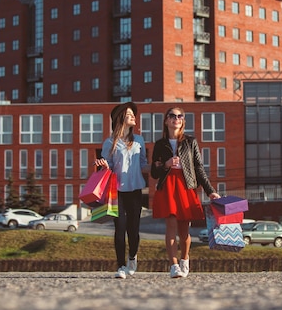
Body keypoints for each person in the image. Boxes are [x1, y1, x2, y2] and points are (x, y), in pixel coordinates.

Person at [151, 107, 220, 278]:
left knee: (184, 231)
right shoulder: (160, 144)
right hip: (168, 186)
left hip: (185, 185)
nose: (176, 118)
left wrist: (210, 191)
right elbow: (154, 172)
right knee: (171, 225)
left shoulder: (190, 141)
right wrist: (166, 165)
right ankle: (173, 265)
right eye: (172, 116)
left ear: (183, 121)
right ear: (166, 120)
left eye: (180, 116)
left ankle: (184, 259)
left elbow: (199, 169)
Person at [94, 102, 149, 279]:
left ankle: (132, 256)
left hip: (135, 190)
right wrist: (103, 165)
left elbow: (143, 164)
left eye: (134, 114)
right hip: (116, 192)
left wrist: (158, 166)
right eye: (129, 114)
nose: (134, 117)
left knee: (133, 230)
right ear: (120, 118)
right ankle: (120, 266)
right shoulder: (109, 142)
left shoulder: (139, 140)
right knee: (120, 228)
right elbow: (107, 165)